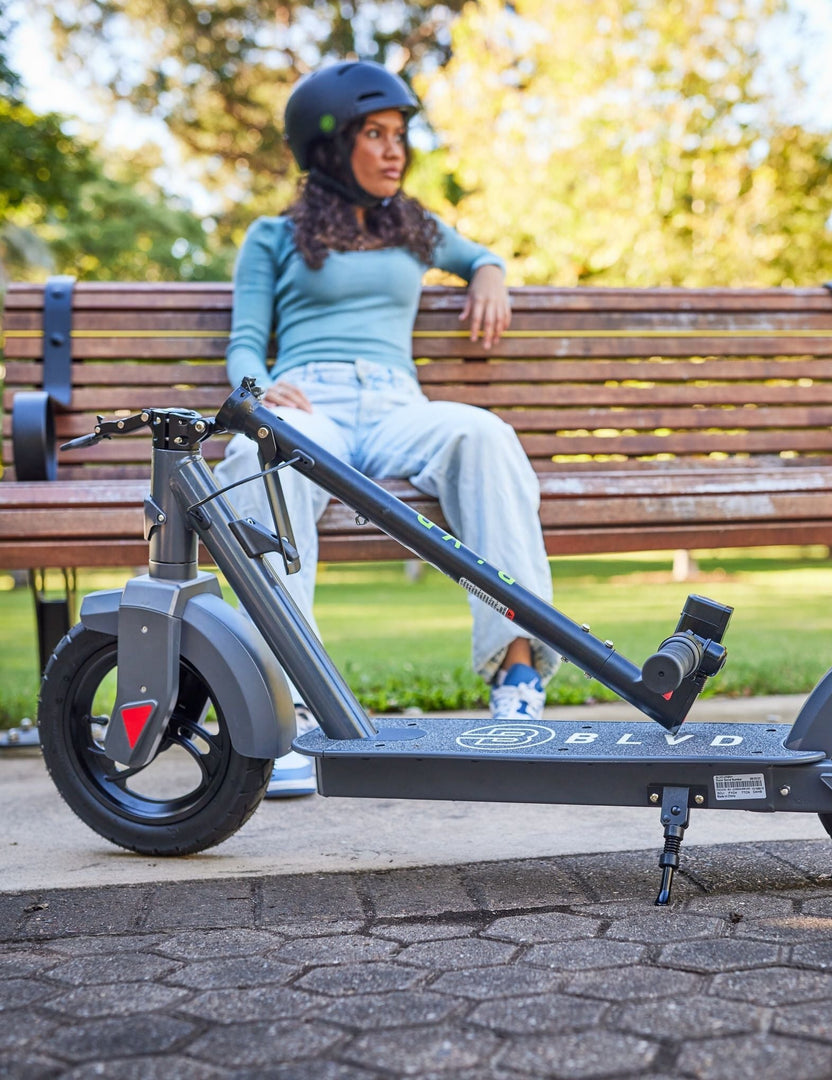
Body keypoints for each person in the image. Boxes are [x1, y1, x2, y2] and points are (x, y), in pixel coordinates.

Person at [216, 60, 559, 797]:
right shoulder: (273, 236)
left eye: (400, 134)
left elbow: (477, 258)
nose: (395, 149)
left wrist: (491, 271)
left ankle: (519, 673)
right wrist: (256, 392)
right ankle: (282, 706)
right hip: (315, 402)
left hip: (400, 403)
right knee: (255, 457)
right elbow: (247, 338)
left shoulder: (416, 228)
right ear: (331, 148)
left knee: (484, 436)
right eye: (375, 134)